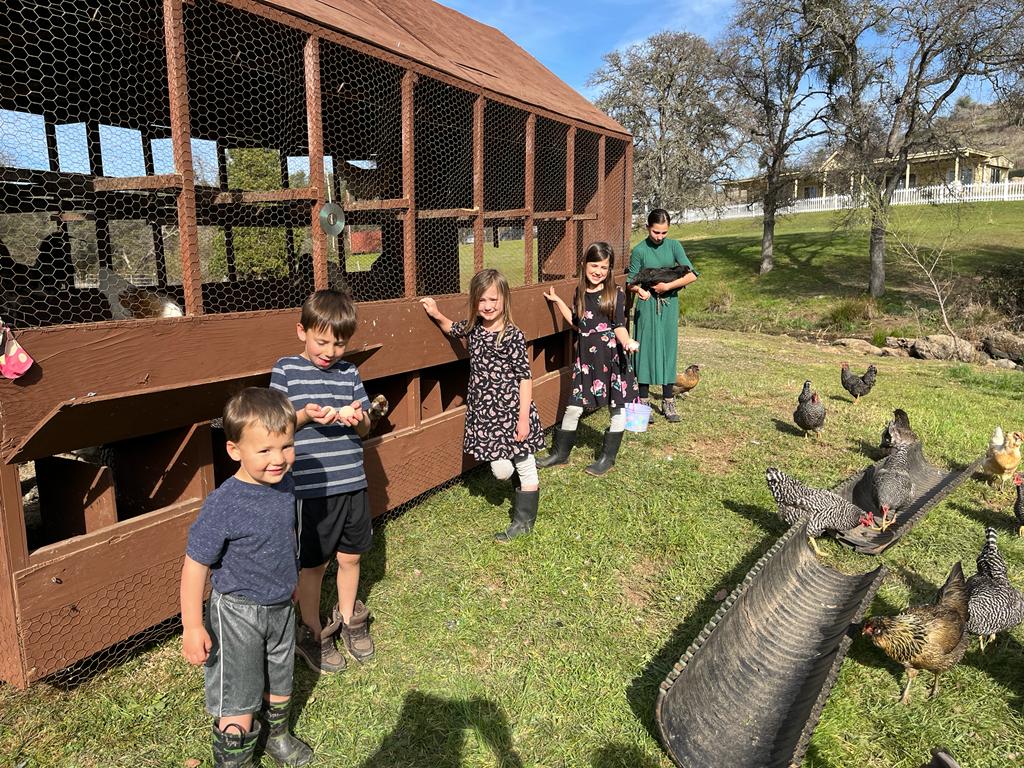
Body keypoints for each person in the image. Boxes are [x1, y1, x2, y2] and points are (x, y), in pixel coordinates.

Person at [180, 387, 313, 767]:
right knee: (238, 692)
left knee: (280, 677)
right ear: (234, 451)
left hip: (281, 606)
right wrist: (192, 625)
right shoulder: (224, 504)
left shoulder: (284, 482)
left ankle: (278, 736)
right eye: (265, 451)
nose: (280, 459)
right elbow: (195, 565)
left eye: (287, 446)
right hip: (238, 613)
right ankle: (235, 758)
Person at [270, 289, 374, 675]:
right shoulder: (285, 370)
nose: (330, 351)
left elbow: (365, 427)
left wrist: (355, 418)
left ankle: (348, 618)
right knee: (314, 564)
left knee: (351, 556)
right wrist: (306, 416)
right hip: (312, 488)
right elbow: (276, 427)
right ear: (302, 331)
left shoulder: (350, 373)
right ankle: (312, 630)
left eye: (339, 343)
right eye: (322, 341)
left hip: (352, 480)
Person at [420, 268, 544, 542]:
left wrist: (523, 419)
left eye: (493, 300)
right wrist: (436, 313)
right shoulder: (474, 328)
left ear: (504, 300)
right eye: (482, 300)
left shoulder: (512, 335)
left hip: (512, 411)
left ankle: (523, 523)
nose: (487, 306)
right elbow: (452, 329)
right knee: (501, 471)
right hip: (486, 414)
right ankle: (522, 484)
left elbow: (525, 378)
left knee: (523, 461)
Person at [538, 242, 639, 476]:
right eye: (595, 265)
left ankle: (607, 458)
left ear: (609, 269)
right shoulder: (580, 292)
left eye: (604, 267)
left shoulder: (616, 293)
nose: (599, 271)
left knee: (618, 408)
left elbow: (619, 327)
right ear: (584, 265)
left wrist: (627, 342)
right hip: (586, 362)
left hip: (611, 359)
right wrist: (558, 302)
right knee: (574, 407)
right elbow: (577, 322)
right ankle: (560, 454)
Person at [628, 209, 699, 423]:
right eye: (656, 232)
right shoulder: (639, 250)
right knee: (645, 350)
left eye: (664, 233)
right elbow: (630, 281)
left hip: (669, 305)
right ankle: (643, 402)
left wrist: (667, 286)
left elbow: (692, 275)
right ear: (648, 227)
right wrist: (640, 291)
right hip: (648, 304)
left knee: (668, 348)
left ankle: (668, 400)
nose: (659, 237)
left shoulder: (674, 246)